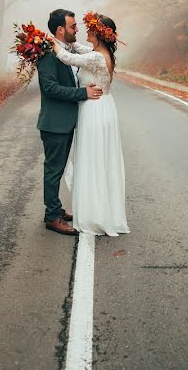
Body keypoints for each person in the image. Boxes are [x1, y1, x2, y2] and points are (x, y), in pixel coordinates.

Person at [51, 12, 129, 236]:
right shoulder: (100, 53)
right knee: (100, 160)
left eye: (89, 29)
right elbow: (78, 50)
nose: (85, 32)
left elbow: (68, 58)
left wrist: (52, 45)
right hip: (103, 108)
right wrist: (68, 43)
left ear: (98, 33)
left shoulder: (96, 57)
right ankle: (101, 211)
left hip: (94, 110)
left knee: (92, 159)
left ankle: (94, 215)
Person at [36, 9, 103, 236]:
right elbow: (50, 88)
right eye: (73, 26)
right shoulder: (47, 54)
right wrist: (82, 93)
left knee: (58, 169)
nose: (77, 29)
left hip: (64, 122)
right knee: (53, 170)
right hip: (54, 123)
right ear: (60, 30)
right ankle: (52, 217)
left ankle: (55, 210)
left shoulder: (65, 50)